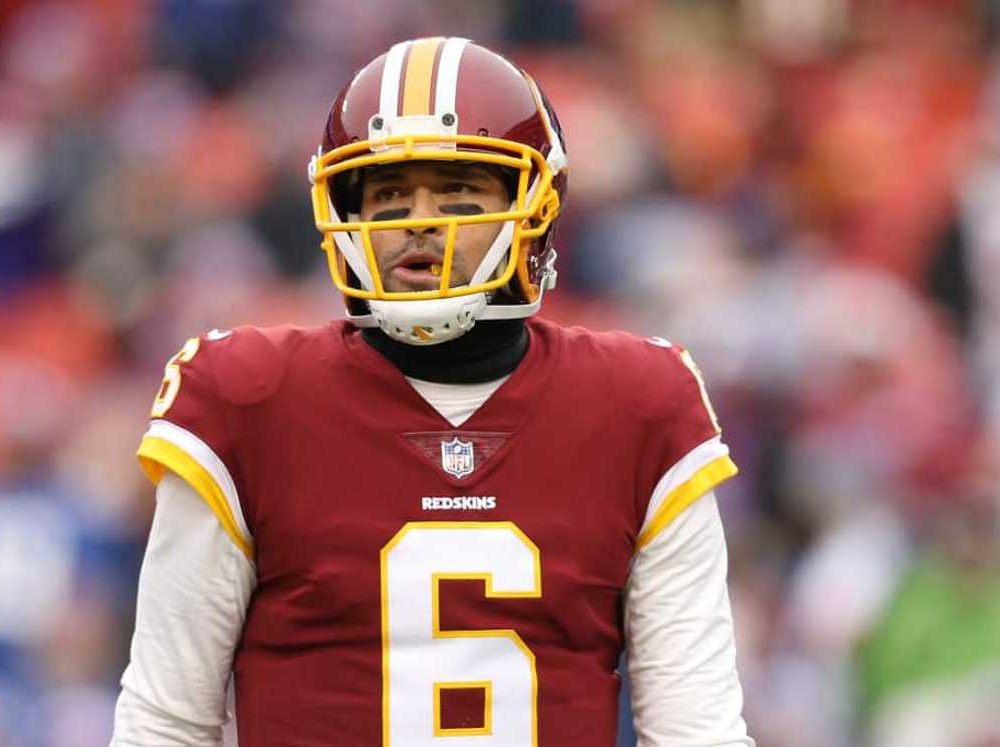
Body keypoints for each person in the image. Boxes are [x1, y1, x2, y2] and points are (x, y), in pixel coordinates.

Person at [111, 37, 753, 746]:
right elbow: (165, 720)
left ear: (533, 209)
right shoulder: (248, 399)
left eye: (458, 191)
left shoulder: (638, 404)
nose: (419, 219)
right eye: (389, 193)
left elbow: (696, 728)